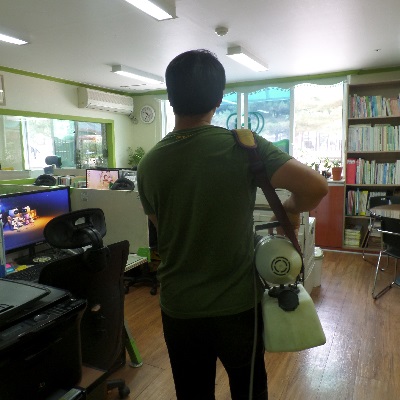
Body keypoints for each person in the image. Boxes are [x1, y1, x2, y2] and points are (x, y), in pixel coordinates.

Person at [137, 49, 328, 400]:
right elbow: (316, 187)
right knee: (249, 390)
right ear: (218, 99)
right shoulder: (244, 146)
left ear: (170, 98)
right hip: (237, 308)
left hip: (180, 308)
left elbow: (165, 229)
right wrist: (289, 208)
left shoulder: (148, 165)